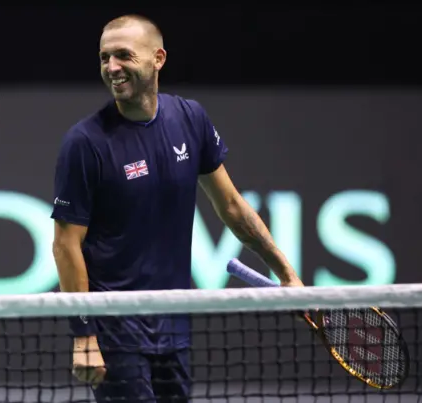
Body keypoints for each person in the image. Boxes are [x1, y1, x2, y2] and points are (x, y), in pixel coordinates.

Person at [50, 14, 304, 402]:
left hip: (174, 323)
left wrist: (286, 273)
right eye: (104, 58)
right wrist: (84, 336)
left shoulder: (190, 119)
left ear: (158, 58)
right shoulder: (85, 143)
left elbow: (233, 207)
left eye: (123, 56)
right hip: (116, 330)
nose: (112, 68)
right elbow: (66, 245)